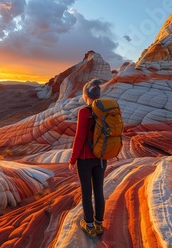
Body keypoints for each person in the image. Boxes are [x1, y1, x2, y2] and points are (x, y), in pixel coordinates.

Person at [69, 78, 107, 238]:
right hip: (101, 158)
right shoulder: (106, 110)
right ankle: (99, 224)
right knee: (99, 190)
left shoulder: (84, 112)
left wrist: (72, 160)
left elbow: (79, 138)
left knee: (86, 192)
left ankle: (89, 225)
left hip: (85, 159)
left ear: (86, 96)